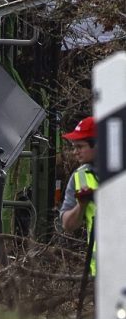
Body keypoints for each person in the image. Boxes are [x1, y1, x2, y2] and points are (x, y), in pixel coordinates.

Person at [58, 116, 97, 275]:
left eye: (80, 146)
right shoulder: (79, 177)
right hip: (101, 272)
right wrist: (81, 206)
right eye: (74, 147)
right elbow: (68, 225)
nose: (75, 152)